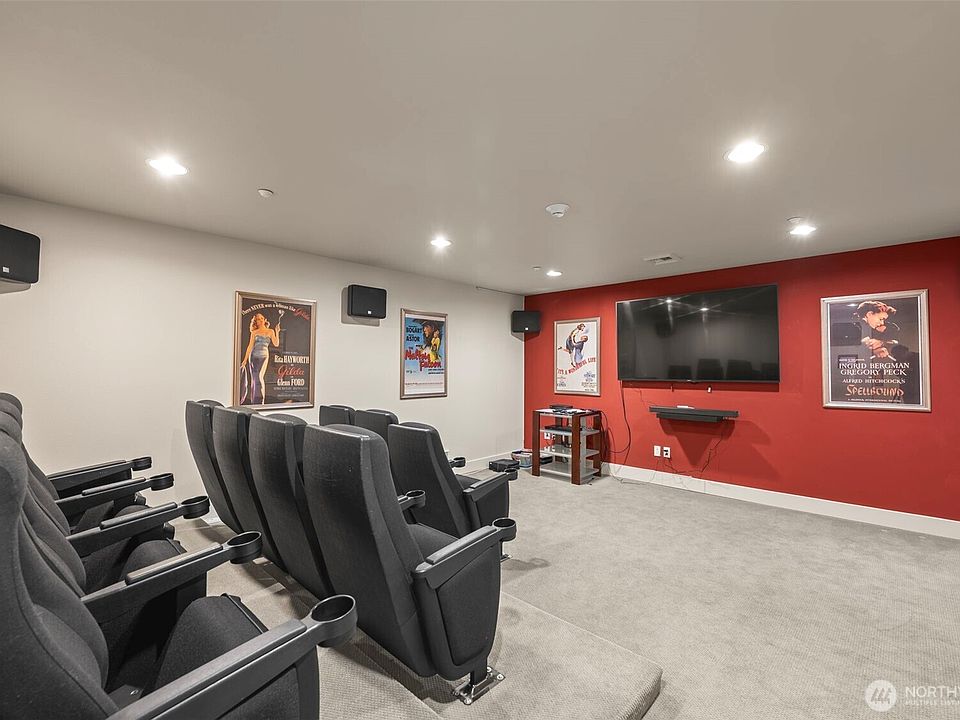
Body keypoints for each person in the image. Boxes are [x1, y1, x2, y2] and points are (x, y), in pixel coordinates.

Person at [240, 312, 281, 405]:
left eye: (262, 318)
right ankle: (254, 401)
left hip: (264, 356)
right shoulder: (254, 332)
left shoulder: (271, 331)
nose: (260, 320)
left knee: (259, 377)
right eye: (258, 319)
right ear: (256, 322)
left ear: (264, 319)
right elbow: (250, 346)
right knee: (255, 378)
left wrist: (277, 332)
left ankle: (260, 401)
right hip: (253, 356)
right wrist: (245, 360)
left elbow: (276, 344)